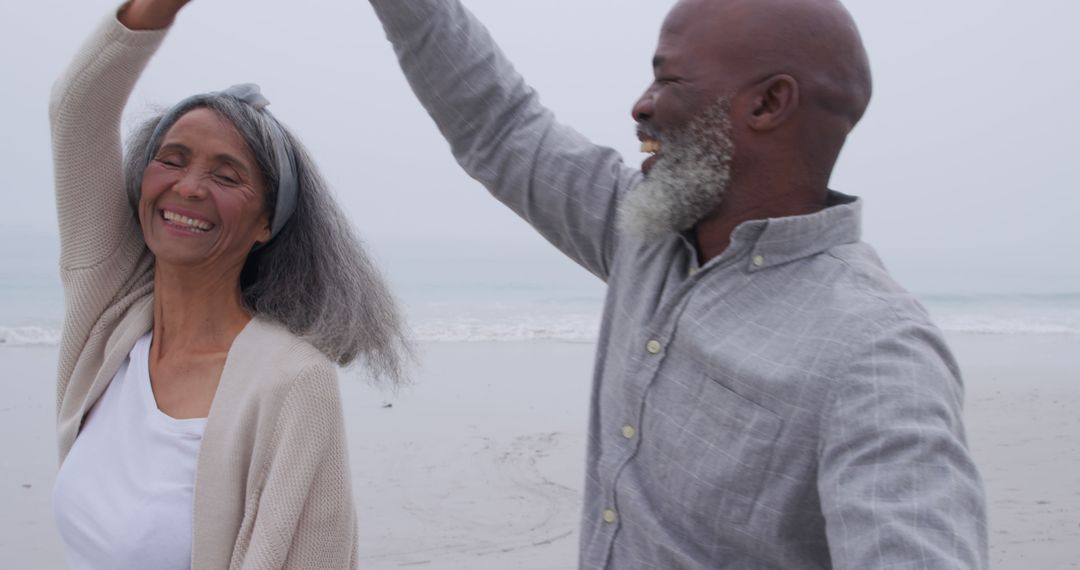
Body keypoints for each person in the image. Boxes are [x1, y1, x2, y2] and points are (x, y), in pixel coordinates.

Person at [367, 0, 987, 567]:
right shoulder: (644, 232)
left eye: (669, 78)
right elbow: (499, 124)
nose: (642, 104)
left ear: (768, 104)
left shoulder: (878, 355)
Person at [48, 0, 408, 568]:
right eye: (172, 159)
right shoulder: (109, 314)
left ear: (267, 221)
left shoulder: (293, 381)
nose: (189, 188)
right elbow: (78, 115)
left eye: (225, 175)